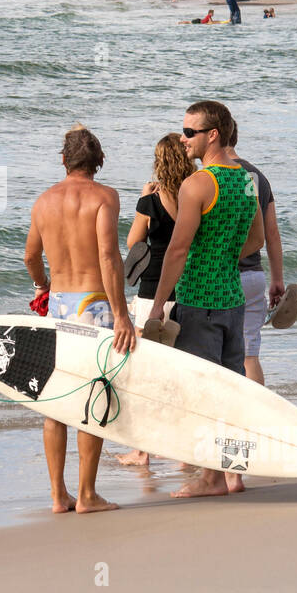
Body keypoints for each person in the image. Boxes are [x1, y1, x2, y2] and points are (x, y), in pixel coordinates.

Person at [143, 101, 264, 498]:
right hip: (232, 298)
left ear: (212, 135)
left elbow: (177, 251)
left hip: (199, 300)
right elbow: (257, 240)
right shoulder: (246, 180)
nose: (183, 138)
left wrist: (160, 303)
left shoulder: (196, 185)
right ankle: (234, 474)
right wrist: (224, 253)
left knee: (205, 394)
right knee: (234, 390)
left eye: (189, 132)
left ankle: (211, 478)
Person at [23, 125, 133, 514]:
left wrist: (42, 285)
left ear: (63, 159)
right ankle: (86, 495)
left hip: (59, 307)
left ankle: (58, 496)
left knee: (55, 402)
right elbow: (107, 256)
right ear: (99, 161)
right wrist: (121, 315)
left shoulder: (43, 202)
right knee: (93, 396)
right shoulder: (105, 197)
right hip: (94, 304)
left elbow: (31, 257)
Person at [118, 133, 196, 467]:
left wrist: (142, 201)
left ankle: (142, 450)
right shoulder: (198, 195)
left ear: (159, 162)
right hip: (189, 290)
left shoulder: (149, 202)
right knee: (182, 372)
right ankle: (182, 450)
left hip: (152, 293)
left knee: (145, 371)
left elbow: (133, 242)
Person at [222, 124, 285, 386]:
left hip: (223, 277)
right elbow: (272, 235)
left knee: (216, 357)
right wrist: (277, 280)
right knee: (250, 357)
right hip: (254, 276)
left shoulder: (214, 175)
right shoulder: (258, 176)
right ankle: (256, 418)